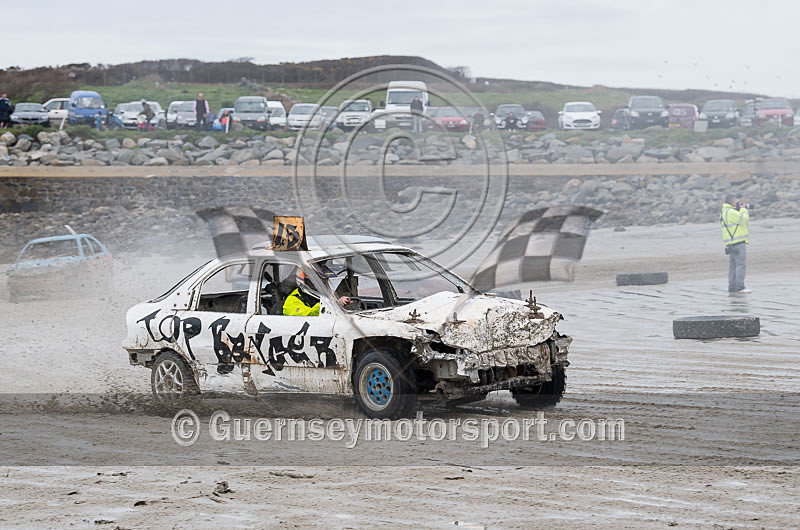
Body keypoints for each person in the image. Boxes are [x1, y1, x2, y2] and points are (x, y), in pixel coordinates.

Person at [283, 270, 351, 316]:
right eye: (319, 281)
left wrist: (343, 303)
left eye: (325, 281)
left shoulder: (319, 297)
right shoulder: (292, 300)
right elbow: (309, 314)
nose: (323, 284)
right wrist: (334, 305)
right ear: (306, 280)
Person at [721, 194, 751, 293]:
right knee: (740, 265)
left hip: (731, 243)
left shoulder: (725, 212)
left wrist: (739, 209)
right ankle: (740, 287)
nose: (738, 204)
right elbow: (744, 219)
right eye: (736, 202)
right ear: (732, 202)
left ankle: (732, 287)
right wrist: (743, 209)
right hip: (738, 243)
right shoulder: (730, 212)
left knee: (733, 266)